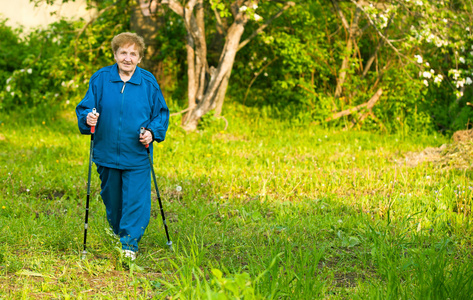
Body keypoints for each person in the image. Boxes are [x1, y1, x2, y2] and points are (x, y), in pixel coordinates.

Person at [76, 32, 169, 260]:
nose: (128, 58)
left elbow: (161, 115)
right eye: (123, 52)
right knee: (112, 199)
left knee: (136, 200)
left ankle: (129, 243)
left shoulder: (148, 82)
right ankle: (119, 231)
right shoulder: (100, 79)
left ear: (139, 58)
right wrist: (88, 117)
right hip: (106, 153)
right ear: (115, 54)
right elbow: (85, 108)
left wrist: (152, 132)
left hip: (137, 154)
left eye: (133, 54)